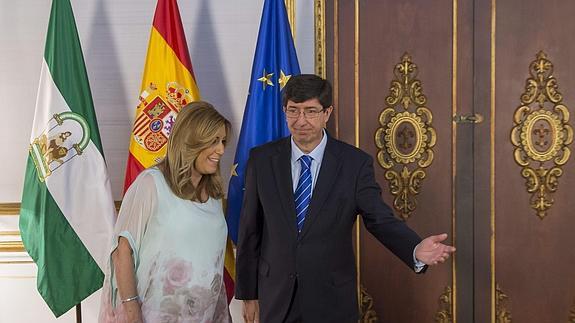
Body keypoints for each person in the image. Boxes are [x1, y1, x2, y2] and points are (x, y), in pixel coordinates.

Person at [235, 74, 456, 323]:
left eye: (310, 111)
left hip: (331, 299)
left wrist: (414, 249)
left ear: (327, 113)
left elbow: (379, 219)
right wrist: (248, 294)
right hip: (275, 297)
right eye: (293, 111)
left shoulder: (354, 164)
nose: (301, 121)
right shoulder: (262, 160)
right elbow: (250, 229)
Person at [99, 102, 232, 323]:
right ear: (191, 140)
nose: (221, 150)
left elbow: (213, 263)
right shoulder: (151, 184)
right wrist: (133, 316)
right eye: (213, 141)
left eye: (223, 141)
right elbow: (122, 253)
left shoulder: (214, 195)